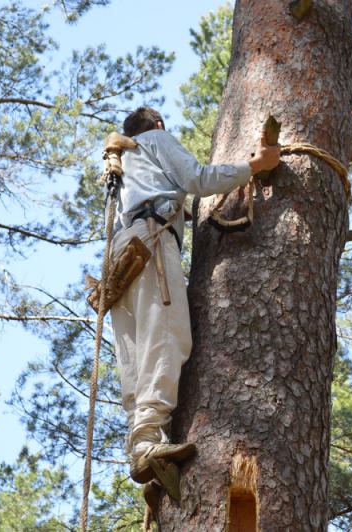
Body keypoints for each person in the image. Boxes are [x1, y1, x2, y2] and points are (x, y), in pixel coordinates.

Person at [110, 107, 280, 485]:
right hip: (152, 242)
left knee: (135, 352)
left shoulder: (122, 164)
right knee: (167, 334)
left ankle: (141, 443)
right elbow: (197, 178)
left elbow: (148, 197)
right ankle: (148, 440)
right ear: (157, 125)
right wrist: (254, 166)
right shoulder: (155, 140)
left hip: (120, 255)